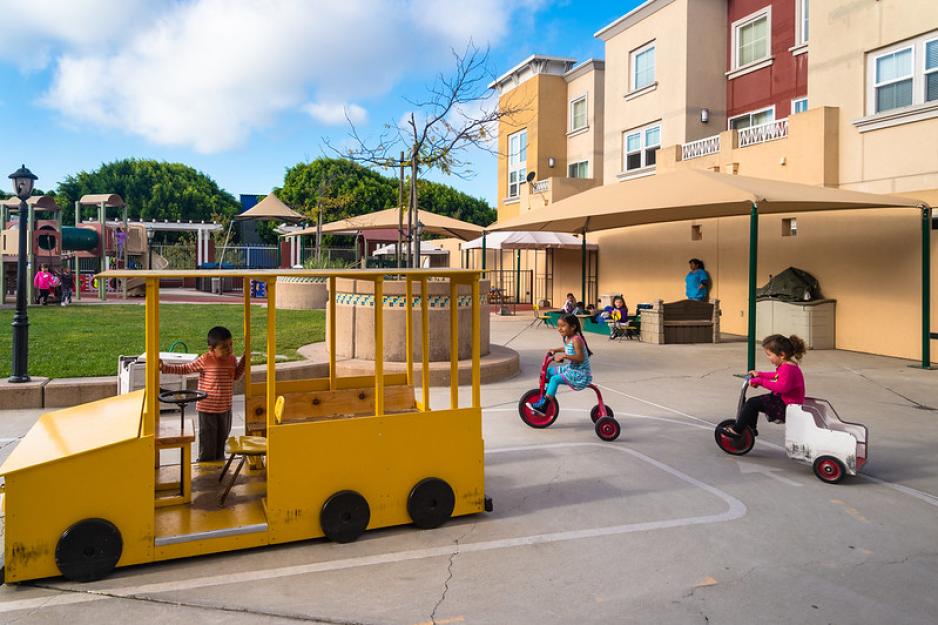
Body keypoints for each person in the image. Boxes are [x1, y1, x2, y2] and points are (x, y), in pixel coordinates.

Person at [160, 326, 247, 462]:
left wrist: (244, 362)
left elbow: (235, 376)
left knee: (222, 439)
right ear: (211, 349)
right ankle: (205, 466)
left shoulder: (231, 360)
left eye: (231, 344)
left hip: (225, 409)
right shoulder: (206, 360)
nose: (229, 349)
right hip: (208, 410)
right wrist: (165, 367)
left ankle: (218, 464)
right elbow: (186, 369)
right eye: (224, 347)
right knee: (208, 441)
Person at [723, 334, 806, 438]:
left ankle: (737, 431)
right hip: (784, 401)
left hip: (785, 405)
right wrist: (760, 374)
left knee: (752, 403)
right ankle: (750, 428)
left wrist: (761, 381)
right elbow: (777, 376)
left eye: (769, 355)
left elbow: (782, 387)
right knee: (754, 402)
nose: (768, 358)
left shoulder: (787, 368)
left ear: (781, 354)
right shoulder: (788, 365)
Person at [526, 314, 593, 416]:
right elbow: (567, 348)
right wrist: (555, 350)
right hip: (571, 368)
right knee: (548, 372)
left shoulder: (577, 339)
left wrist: (564, 357)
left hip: (580, 374)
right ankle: (546, 396)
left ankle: (543, 407)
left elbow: (580, 358)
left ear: (573, 327)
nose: (559, 329)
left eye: (563, 326)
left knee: (554, 379)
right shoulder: (568, 338)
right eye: (558, 326)